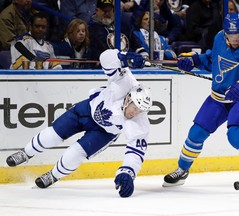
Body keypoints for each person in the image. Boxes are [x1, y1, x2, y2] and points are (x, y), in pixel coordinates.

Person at [6, 49, 152, 198]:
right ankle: (26, 153)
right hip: (86, 111)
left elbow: (136, 151)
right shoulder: (125, 82)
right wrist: (123, 57)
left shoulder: (139, 121)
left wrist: (127, 172)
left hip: (104, 133)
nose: (135, 113)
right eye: (135, 108)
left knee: (74, 155)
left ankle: (53, 175)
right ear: (128, 99)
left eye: (140, 111)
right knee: (51, 135)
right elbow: (105, 59)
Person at [163, 13, 239, 193]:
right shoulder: (218, 38)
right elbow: (213, 61)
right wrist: (193, 61)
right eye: (230, 36)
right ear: (225, 33)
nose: (234, 40)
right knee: (196, 133)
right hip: (218, 97)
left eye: (238, 35)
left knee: (236, 135)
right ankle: (182, 170)